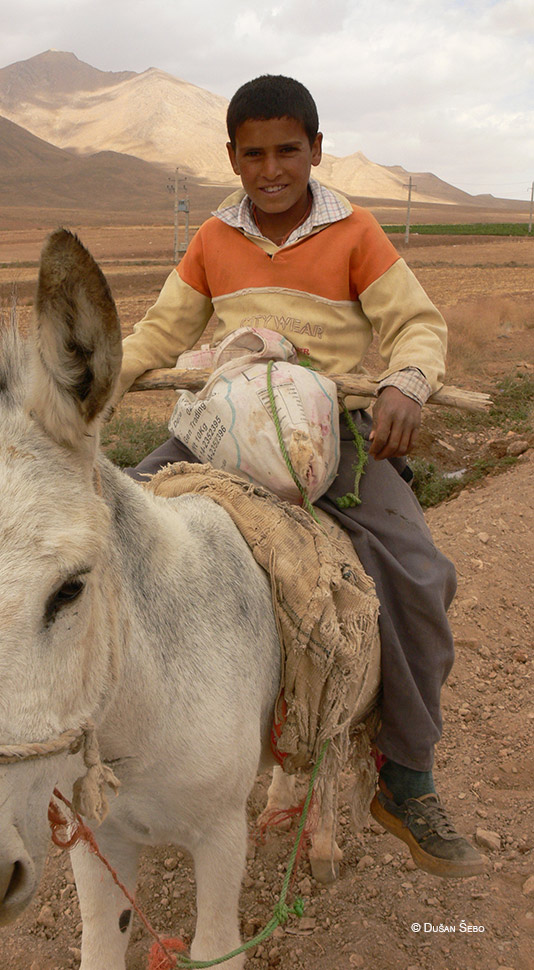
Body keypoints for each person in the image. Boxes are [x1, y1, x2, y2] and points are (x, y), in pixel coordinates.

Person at [113, 74, 484, 879]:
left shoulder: (355, 233)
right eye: (255, 154)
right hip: (223, 422)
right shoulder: (213, 238)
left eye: (288, 150)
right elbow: (162, 331)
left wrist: (407, 382)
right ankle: (92, 741)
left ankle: (407, 777)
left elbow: (416, 324)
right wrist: (97, 381)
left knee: (419, 574)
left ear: (316, 150)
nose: (271, 168)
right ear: (232, 158)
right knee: (114, 525)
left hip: (335, 429)